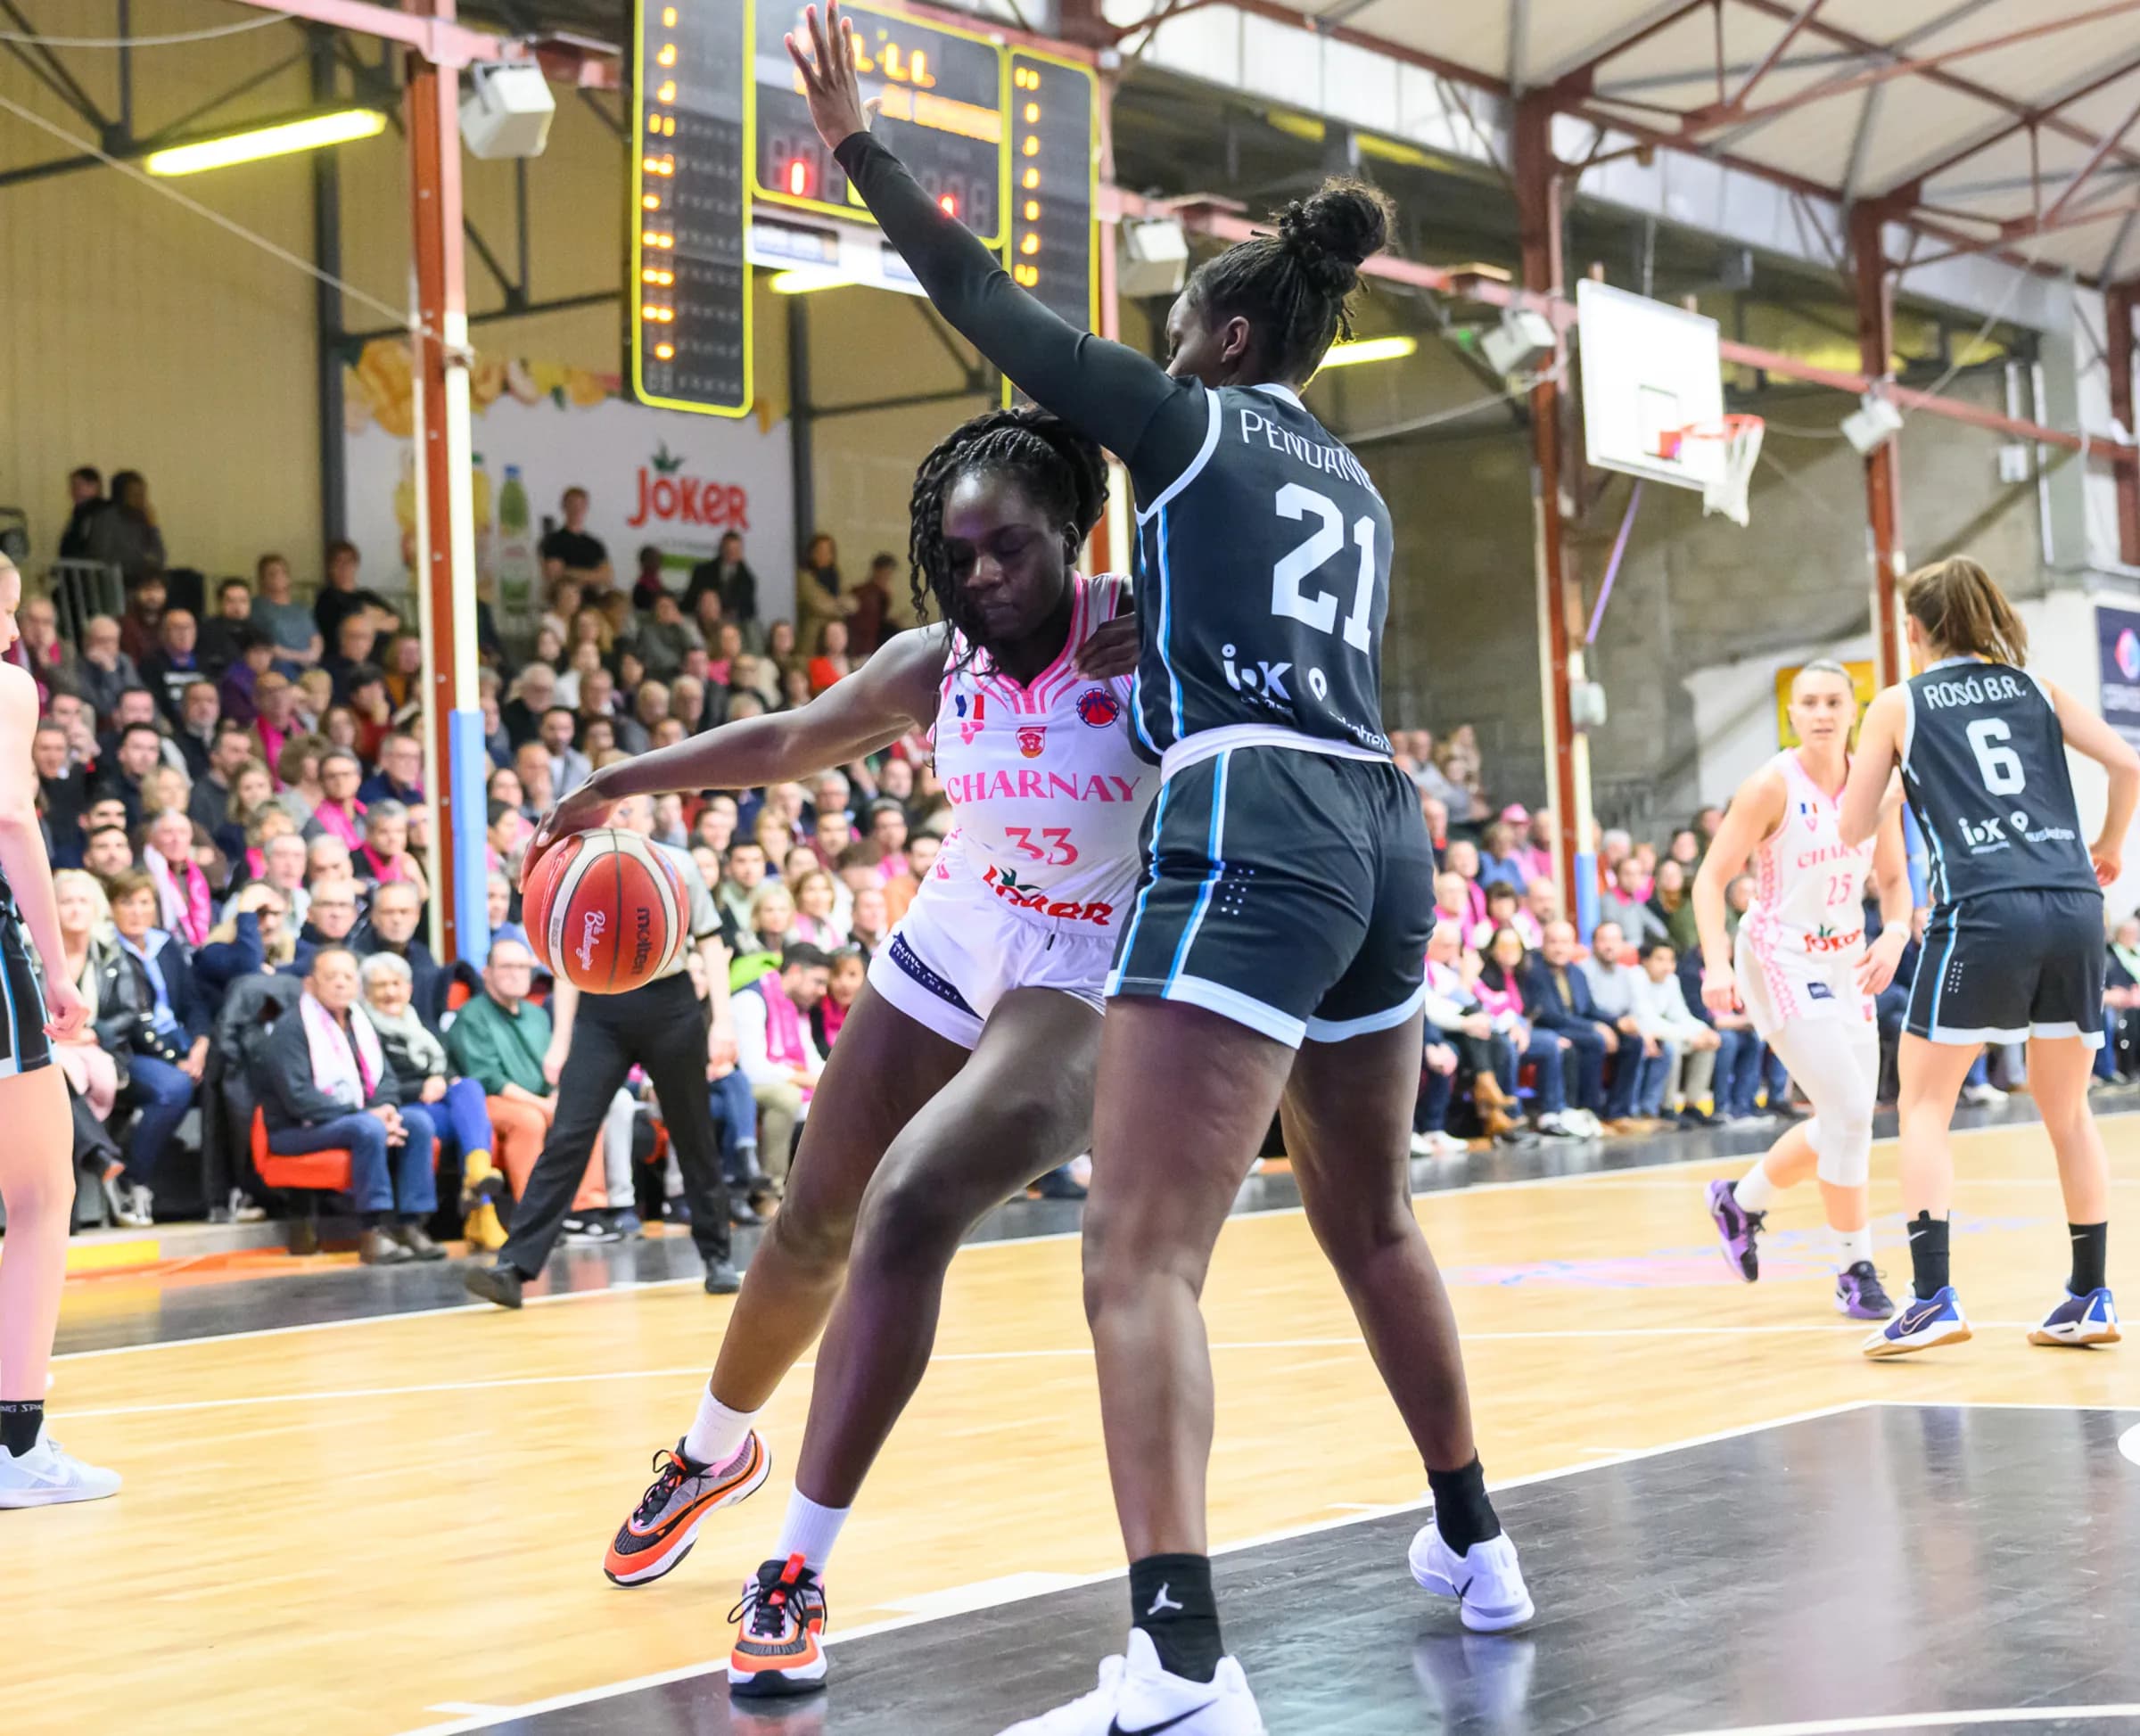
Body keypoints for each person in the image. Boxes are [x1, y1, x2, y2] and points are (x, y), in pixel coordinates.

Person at [786, 16, 1529, 1725]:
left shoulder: (1190, 426)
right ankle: (1478, 1542)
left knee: (1136, 1256)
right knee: (1372, 1217)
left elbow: (985, 302)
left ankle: (1182, 1659)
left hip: (1255, 817)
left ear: (1230, 336)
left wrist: (859, 146)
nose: (1158, 339)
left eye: (1179, 318)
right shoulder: (1354, 482)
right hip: (1383, 828)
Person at [530, 401, 1150, 1698]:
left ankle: (796, 1570)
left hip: (1087, 960)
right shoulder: (937, 660)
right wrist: (623, 780)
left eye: (1011, 548)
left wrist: (1193, 633)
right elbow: (787, 741)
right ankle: (711, 1452)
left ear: (1072, 534)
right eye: (960, 555)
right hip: (959, 927)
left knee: (909, 1203)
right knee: (812, 1215)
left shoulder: (1153, 636)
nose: (984, 575)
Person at [1841, 558, 2139, 1356]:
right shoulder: (2038, 688)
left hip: (1983, 909)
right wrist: (2110, 843)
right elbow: (2128, 763)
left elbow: (1850, 826)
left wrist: (1891, 787)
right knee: (2069, 1110)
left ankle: (1932, 1297)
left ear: (1914, 628)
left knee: (1923, 1104)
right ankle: (2091, 1294)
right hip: (2075, 905)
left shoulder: (1900, 702)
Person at [1696, 662, 1912, 1321]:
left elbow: (1894, 880)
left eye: (1833, 701)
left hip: (1849, 961)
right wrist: (1715, 965)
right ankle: (1854, 1269)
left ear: (1854, 710)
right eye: (1809, 702)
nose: (1821, 712)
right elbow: (1710, 879)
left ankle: (1741, 1201)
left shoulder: (1878, 784)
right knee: (1848, 1107)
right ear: (1792, 714)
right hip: (1780, 957)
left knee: (1847, 1119)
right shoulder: (1771, 785)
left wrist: (1894, 933)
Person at [462, 794, 738, 1308]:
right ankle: (513, 1266)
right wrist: (561, 1039)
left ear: (651, 816)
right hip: (601, 1007)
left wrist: (722, 1020)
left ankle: (718, 1257)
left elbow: (711, 942)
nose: (624, 815)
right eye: (617, 806)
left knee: (693, 1132)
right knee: (568, 1133)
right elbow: (568, 958)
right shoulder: (579, 864)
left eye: (634, 807)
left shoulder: (677, 864)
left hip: (671, 1004)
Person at [0, 557, 110, 1507]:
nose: (14, 634)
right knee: (41, 1193)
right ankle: (14, 1443)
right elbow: (10, 818)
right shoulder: (6, 686)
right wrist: (58, 965)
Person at [259, 945, 440, 1265]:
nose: (341, 983)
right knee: (367, 1128)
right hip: (295, 1129)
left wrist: (386, 1109)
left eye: (348, 976)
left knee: (418, 1123)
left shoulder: (360, 1023)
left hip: (352, 1119)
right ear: (310, 984)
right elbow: (299, 1098)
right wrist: (368, 1116)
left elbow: (386, 1079)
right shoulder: (292, 1029)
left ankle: (409, 1225)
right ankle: (372, 1231)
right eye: (331, 977)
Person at [358, 951, 505, 1251]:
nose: (390, 992)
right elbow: (375, 1083)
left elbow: (447, 1065)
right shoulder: (364, 1030)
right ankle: (483, 1211)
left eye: (396, 984)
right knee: (467, 1118)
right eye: (381, 986)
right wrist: (421, 1087)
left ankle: (477, 1179)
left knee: (469, 1087)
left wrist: (441, 1080)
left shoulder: (420, 1023)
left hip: (438, 1104)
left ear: (409, 988)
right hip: (404, 1107)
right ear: (367, 992)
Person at [97, 867, 209, 1227]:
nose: (137, 911)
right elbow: (128, 1019)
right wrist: (174, 1060)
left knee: (232, 1076)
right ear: (111, 907)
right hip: (132, 1051)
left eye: (145, 903)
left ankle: (225, 1193)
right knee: (173, 1087)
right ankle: (134, 1181)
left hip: (179, 1043)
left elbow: (192, 1003)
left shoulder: (165, 944)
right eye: (127, 903)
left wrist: (201, 1045)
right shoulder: (107, 948)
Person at [539, 486, 613, 590]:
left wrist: (569, 572)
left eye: (581, 505)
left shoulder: (595, 544)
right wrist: (593, 575)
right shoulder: (553, 541)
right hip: (565, 598)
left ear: (586, 508)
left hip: (593, 598)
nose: (576, 509)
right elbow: (554, 575)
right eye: (572, 504)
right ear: (563, 507)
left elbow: (607, 577)